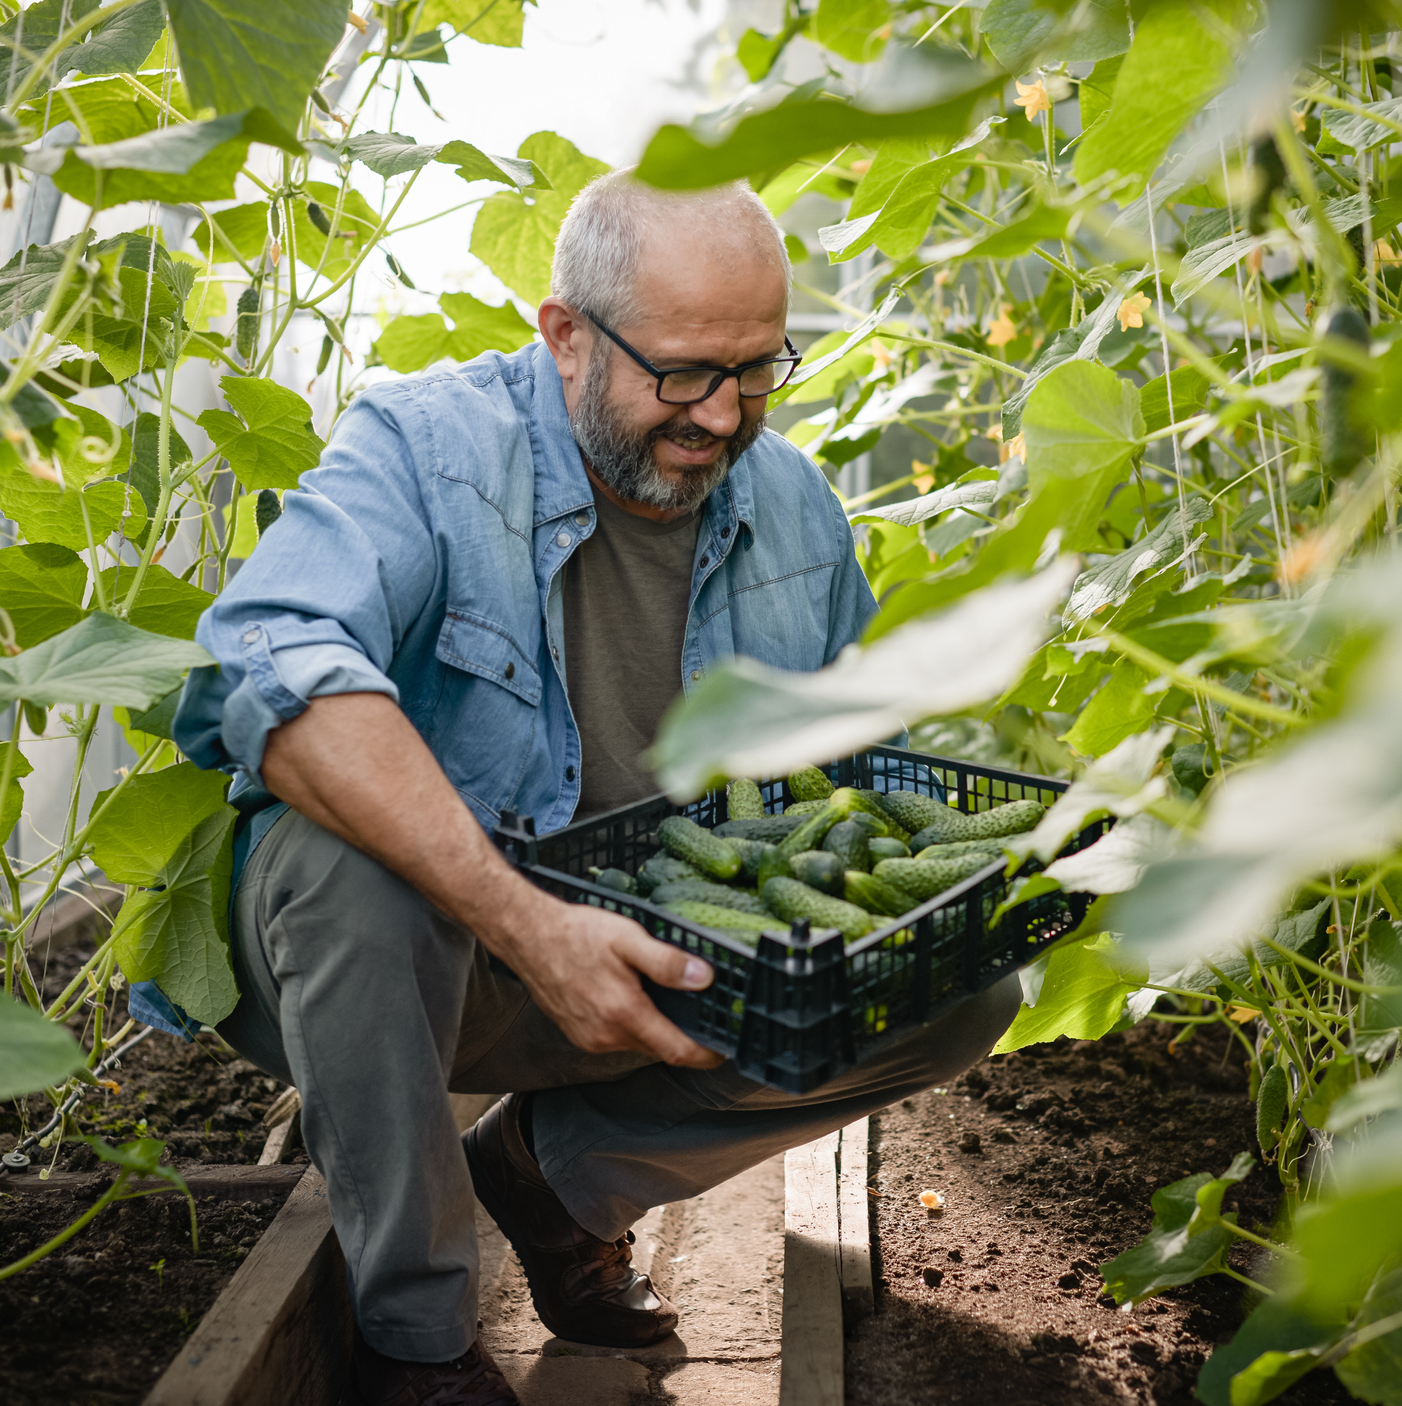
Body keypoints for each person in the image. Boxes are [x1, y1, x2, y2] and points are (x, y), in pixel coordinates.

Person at [174, 170, 1018, 1406]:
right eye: (683, 372)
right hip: (417, 964)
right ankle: (417, 1342)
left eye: (758, 366)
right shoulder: (426, 447)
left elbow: (852, 788)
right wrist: (529, 924)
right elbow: (266, 663)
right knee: (351, 860)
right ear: (563, 333)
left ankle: (551, 1177)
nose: (725, 415)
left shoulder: (791, 507)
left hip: (650, 966)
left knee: (955, 987)